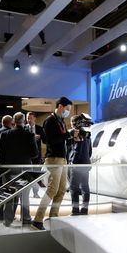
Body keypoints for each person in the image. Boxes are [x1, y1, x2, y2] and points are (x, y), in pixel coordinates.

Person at [32, 97, 73, 231]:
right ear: (60, 106)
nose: (68, 112)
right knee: (52, 189)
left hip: (62, 159)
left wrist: (72, 136)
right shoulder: (49, 121)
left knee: (61, 190)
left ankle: (54, 217)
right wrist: (67, 135)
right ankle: (38, 219)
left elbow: (63, 139)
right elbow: (49, 141)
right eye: (67, 109)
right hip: (54, 159)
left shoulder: (61, 121)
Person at [0, 112, 38, 226]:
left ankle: (7, 220)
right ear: (24, 121)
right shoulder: (29, 135)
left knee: (9, 195)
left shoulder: (4, 135)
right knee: (24, 196)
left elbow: (1, 154)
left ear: (13, 122)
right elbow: (35, 154)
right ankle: (25, 218)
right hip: (24, 169)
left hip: (9, 169)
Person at [69, 114, 94, 215]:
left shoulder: (75, 134)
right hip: (86, 164)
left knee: (73, 188)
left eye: (71, 124)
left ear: (74, 124)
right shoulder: (87, 134)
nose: (71, 126)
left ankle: (75, 211)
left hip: (76, 165)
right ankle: (84, 210)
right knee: (85, 188)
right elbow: (90, 151)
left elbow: (73, 149)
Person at [26, 112, 45, 198]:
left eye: (30, 118)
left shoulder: (39, 128)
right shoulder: (24, 128)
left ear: (35, 118)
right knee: (27, 175)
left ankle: (35, 193)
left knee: (36, 175)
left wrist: (40, 137)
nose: (29, 120)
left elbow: (45, 140)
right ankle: (26, 192)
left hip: (37, 156)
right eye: (27, 118)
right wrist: (31, 138)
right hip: (26, 156)